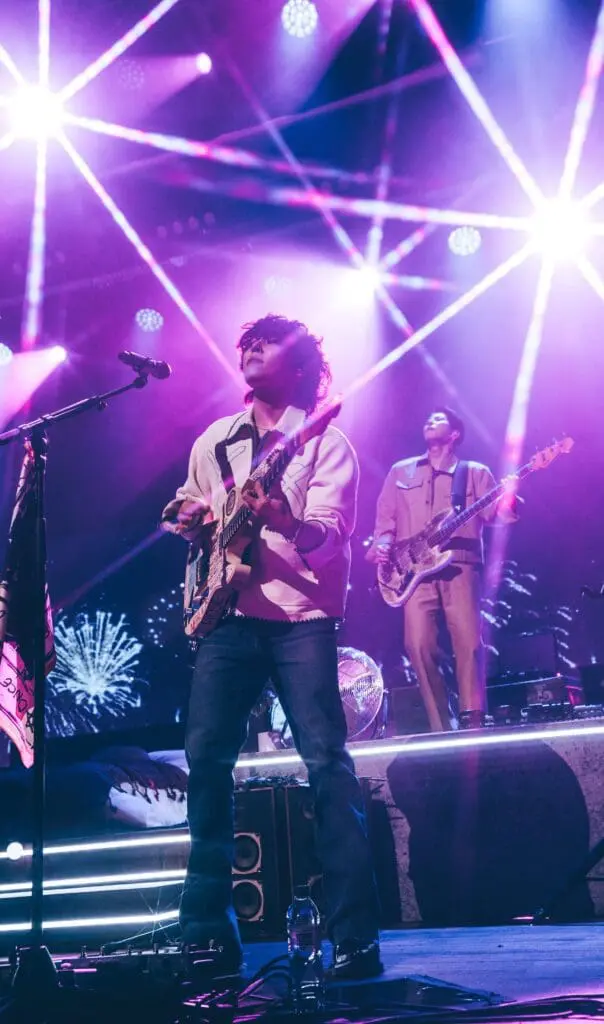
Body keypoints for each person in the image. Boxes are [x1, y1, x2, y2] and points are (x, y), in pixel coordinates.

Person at [161, 314, 381, 979]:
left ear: (300, 364)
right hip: (225, 616)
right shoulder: (214, 440)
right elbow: (182, 508)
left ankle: (354, 940)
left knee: (326, 764)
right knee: (205, 763)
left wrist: (284, 519)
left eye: (269, 341)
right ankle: (207, 936)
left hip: (300, 618)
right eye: (246, 341)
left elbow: (329, 540)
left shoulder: (324, 442)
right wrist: (190, 519)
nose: (250, 347)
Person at [368, 408, 517, 732]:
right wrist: (382, 547)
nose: (429, 420)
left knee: (469, 643)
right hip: (412, 572)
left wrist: (510, 498)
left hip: (460, 566)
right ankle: (440, 727)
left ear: (455, 435)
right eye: (428, 417)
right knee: (417, 645)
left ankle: (472, 718)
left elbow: (497, 515)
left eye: (439, 419)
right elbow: (386, 519)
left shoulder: (475, 472)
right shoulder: (400, 471)